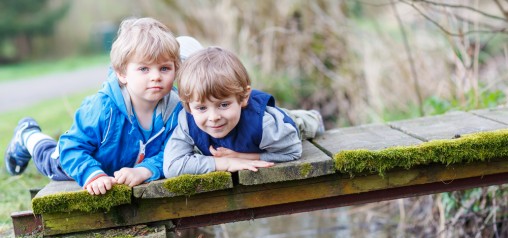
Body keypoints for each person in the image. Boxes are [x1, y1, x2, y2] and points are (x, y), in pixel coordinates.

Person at [4, 17, 183, 195]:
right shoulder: (103, 108)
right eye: (144, 69)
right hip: (82, 161)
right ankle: (27, 135)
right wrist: (93, 175)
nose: (156, 76)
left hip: (123, 169)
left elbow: (173, 151)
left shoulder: (176, 110)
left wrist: (145, 170)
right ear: (122, 73)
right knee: (50, 159)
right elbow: (71, 147)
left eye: (164, 68)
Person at [163, 46, 324, 178]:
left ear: (244, 97)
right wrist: (223, 163)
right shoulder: (186, 121)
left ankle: (311, 116)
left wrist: (240, 157)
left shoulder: (265, 125)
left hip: (286, 126)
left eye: (224, 105)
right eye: (202, 108)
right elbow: (172, 166)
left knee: (306, 123)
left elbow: (292, 151)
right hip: (237, 142)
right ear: (188, 106)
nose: (213, 117)